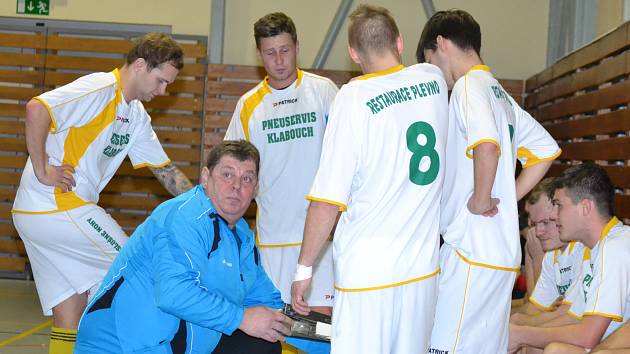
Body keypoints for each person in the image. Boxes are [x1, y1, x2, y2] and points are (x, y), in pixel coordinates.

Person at [11, 32, 193, 354]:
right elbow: (36, 108)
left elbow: (164, 172)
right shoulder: (99, 89)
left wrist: (203, 204)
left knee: (71, 313)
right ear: (140, 65)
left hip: (42, 215)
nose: (163, 92)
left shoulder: (135, 115)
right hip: (57, 207)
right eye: (161, 81)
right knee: (138, 267)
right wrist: (42, 170)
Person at [291, 5, 449, 354]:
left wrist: (304, 270)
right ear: (400, 41)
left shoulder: (352, 97)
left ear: (352, 53)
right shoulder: (432, 80)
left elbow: (327, 200)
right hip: (422, 272)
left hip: (368, 274)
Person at [416, 9, 561, 353]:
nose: (435, 72)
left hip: (471, 250)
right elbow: (545, 150)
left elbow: (487, 147)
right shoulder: (501, 94)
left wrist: (482, 199)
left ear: (441, 44)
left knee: (443, 348)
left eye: (429, 60)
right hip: (500, 253)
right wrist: (507, 196)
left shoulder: (468, 86)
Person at [75, 140, 292, 354]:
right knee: (250, 330)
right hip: (122, 346)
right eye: (227, 175)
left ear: (255, 189)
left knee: (261, 343)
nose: (236, 185)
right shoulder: (184, 217)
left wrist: (322, 332)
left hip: (170, 344)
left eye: (247, 178)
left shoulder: (242, 236)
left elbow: (268, 304)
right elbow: (174, 293)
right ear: (206, 178)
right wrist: (242, 318)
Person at [225, 12, 337, 354]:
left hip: (322, 237)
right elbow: (232, 170)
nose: (279, 60)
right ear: (259, 54)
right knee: (278, 329)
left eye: (285, 50)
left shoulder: (324, 92)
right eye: (270, 52)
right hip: (273, 239)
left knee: (322, 327)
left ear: (297, 47)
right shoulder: (248, 106)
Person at [508, 163, 630, 353]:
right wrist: (520, 330)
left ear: (585, 207)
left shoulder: (615, 246)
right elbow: (573, 316)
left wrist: (521, 334)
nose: (555, 216)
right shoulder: (594, 249)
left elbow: (588, 336)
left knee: (554, 350)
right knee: (548, 347)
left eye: (558, 206)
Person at [510, 178, 584, 325]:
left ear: (560, 213)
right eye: (533, 223)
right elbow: (534, 303)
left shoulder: (583, 248)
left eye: (545, 222)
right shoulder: (551, 249)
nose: (538, 232)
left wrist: (538, 258)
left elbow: (566, 316)